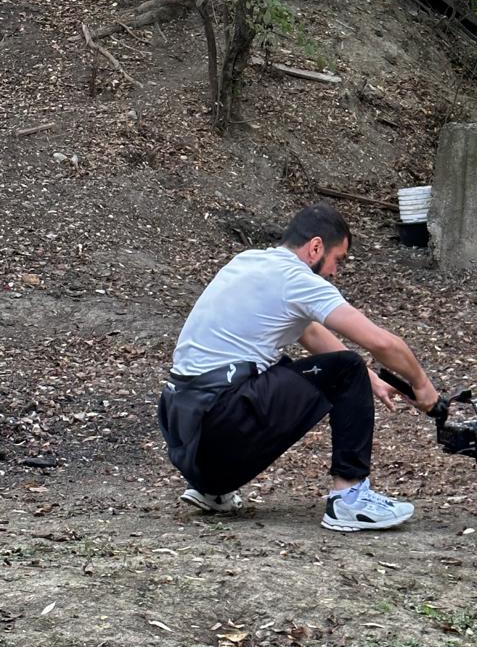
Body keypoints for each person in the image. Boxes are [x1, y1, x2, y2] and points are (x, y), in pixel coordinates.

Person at [158, 201, 439, 531]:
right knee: (345, 366)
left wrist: (372, 381)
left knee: (287, 367)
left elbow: (310, 332)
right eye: (337, 260)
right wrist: (422, 385)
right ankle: (350, 498)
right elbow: (382, 343)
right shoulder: (296, 279)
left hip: (185, 436)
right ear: (316, 247)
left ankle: (211, 491)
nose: (334, 272)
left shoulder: (247, 262)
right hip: (220, 428)